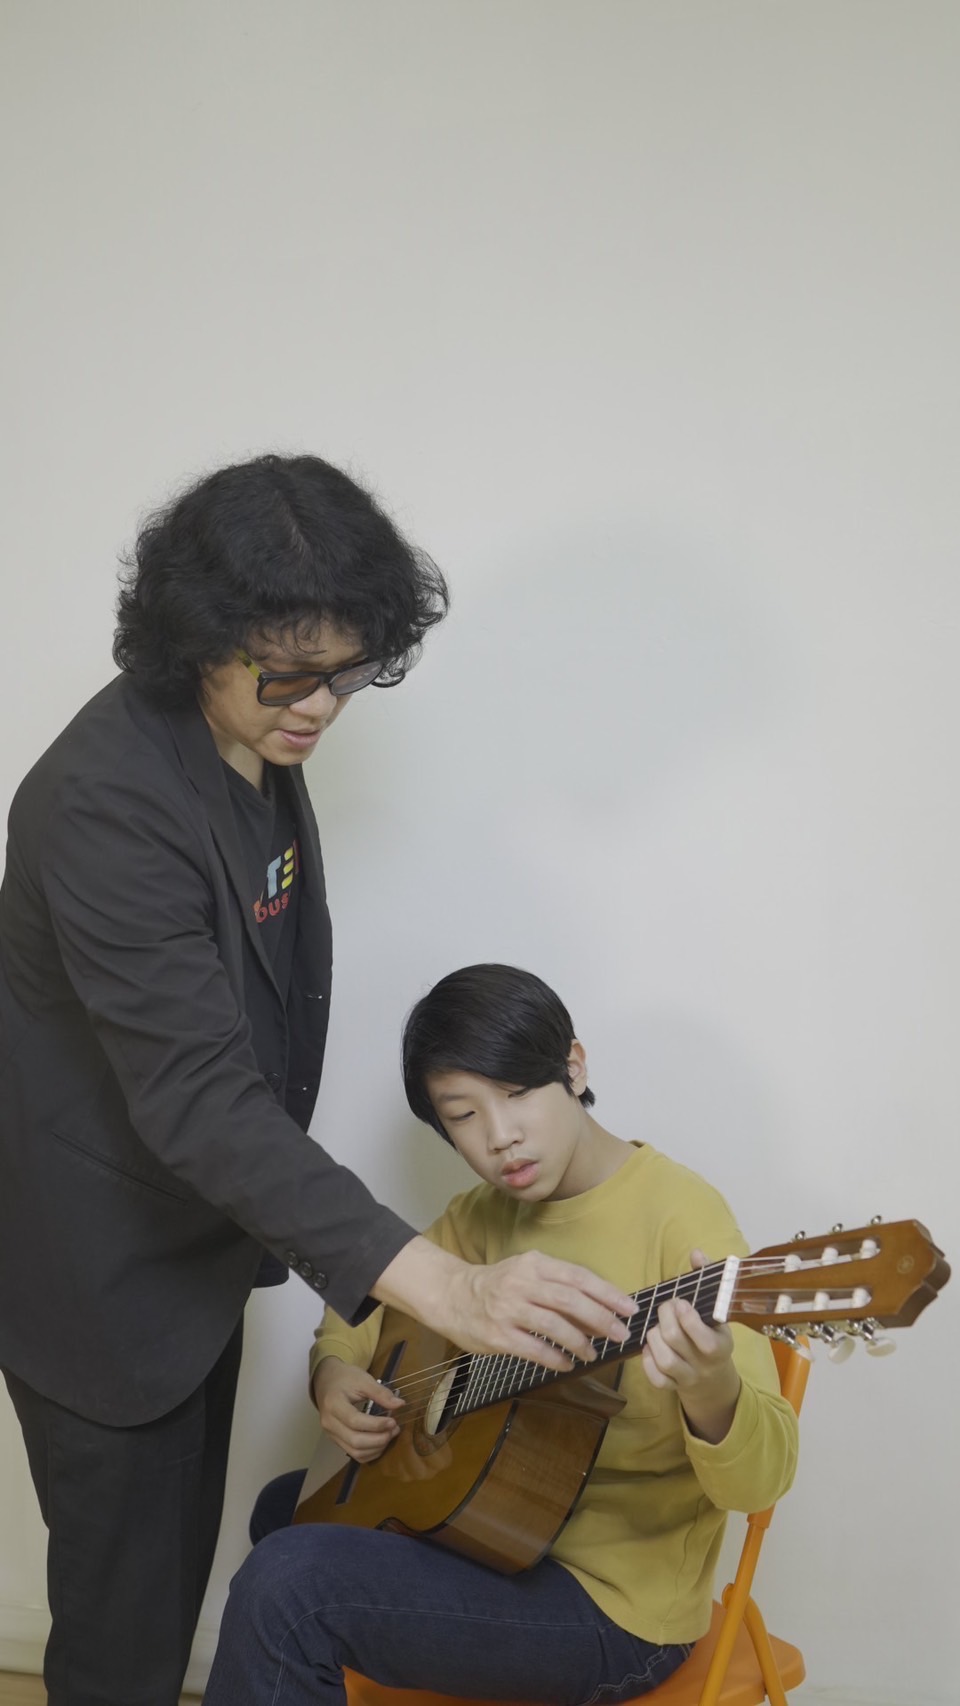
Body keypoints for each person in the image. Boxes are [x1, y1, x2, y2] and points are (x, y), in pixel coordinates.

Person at [0, 459, 635, 1706]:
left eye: (349, 671)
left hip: (192, 1253)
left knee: (168, 1594)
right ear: (197, 635)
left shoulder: (253, 736)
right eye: (291, 674)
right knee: (122, 1644)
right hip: (97, 1283)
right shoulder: (103, 805)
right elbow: (199, 1096)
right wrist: (445, 1282)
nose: (323, 706)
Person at [204, 962, 800, 1706]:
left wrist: (711, 1388)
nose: (501, 1138)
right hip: (493, 1540)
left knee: (288, 1587)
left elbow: (762, 1482)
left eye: (517, 1094)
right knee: (285, 1509)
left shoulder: (682, 1219)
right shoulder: (480, 1216)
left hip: (611, 1611)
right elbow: (367, 1305)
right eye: (463, 1115)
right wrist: (332, 1373)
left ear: (573, 1067)